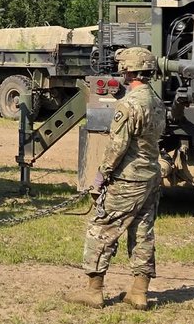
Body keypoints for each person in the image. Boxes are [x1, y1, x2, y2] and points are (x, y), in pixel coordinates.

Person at [69, 46, 165, 310]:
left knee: (101, 229)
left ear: (129, 70)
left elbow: (117, 147)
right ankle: (139, 292)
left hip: (128, 180)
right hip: (150, 176)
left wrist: (101, 178)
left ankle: (94, 291)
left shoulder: (130, 104)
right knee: (143, 232)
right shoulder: (157, 101)